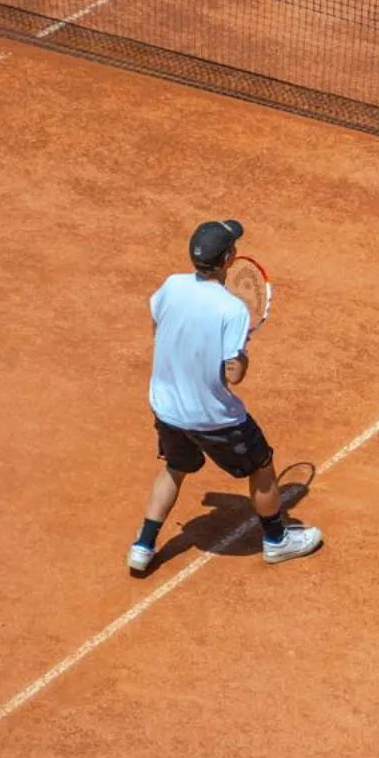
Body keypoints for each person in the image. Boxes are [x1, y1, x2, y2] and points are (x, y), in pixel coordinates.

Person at [129, 219, 321, 574]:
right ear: (229, 257)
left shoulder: (171, 286)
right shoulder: (231, 310)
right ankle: (277, 540)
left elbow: (158, 325)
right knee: (261, 465)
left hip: (166, 406)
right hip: (212, 416)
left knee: (175, 467)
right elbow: (233, 375)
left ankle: (143, 544)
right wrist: (241, 351)